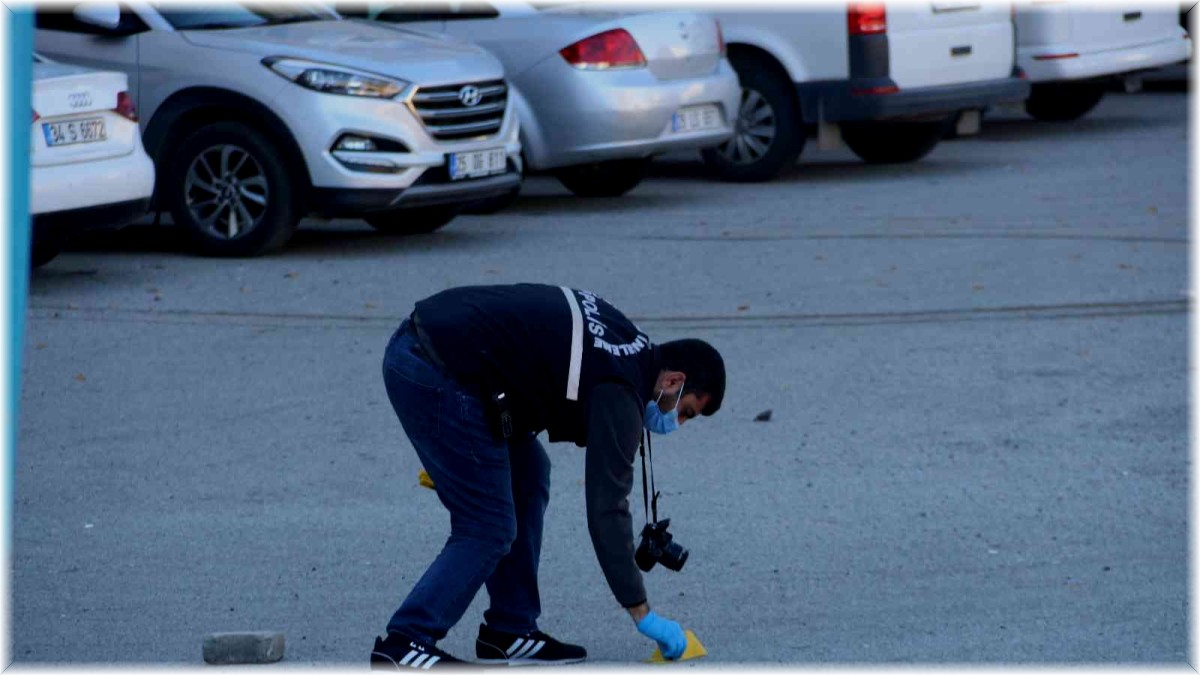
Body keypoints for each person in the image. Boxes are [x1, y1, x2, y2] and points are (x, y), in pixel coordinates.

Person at [371, 283, 726, 670]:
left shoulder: (629, 347)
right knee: (488, 524)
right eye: (686, 411)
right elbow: (607, 508)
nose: (678, 422)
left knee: (528, 473)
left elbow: (537, 367)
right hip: (436, 368)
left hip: (444, 353)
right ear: (674, 381)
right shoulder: (620, 391)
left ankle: (510, 629)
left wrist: (453, 460)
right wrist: (643, 614)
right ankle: (406, 642)